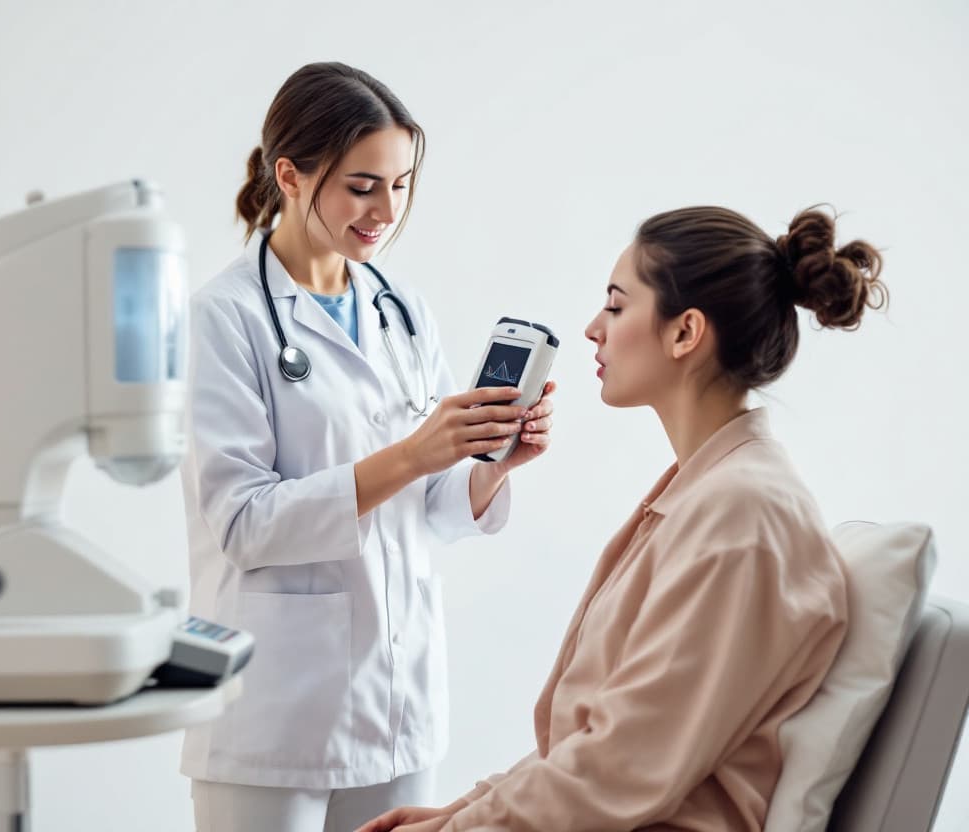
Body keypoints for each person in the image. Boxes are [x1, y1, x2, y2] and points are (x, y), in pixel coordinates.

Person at [359, 205, 889, 832]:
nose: (591, 329)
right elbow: (600, 739)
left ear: (684, 333)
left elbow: (619, 769)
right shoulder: (709, 493)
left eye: (615, 305)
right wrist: (464, 809)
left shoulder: (744, 515)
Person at [178, 61, 557, 831]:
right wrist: (415, 454)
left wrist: (488, 467)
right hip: (274, 713)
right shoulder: (226, 318)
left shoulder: (400, 309)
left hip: (398, 699)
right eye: (362, 185)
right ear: (290, 174)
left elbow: (433, 510)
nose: (387, 210)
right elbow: (242, 523)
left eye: (403, 183)